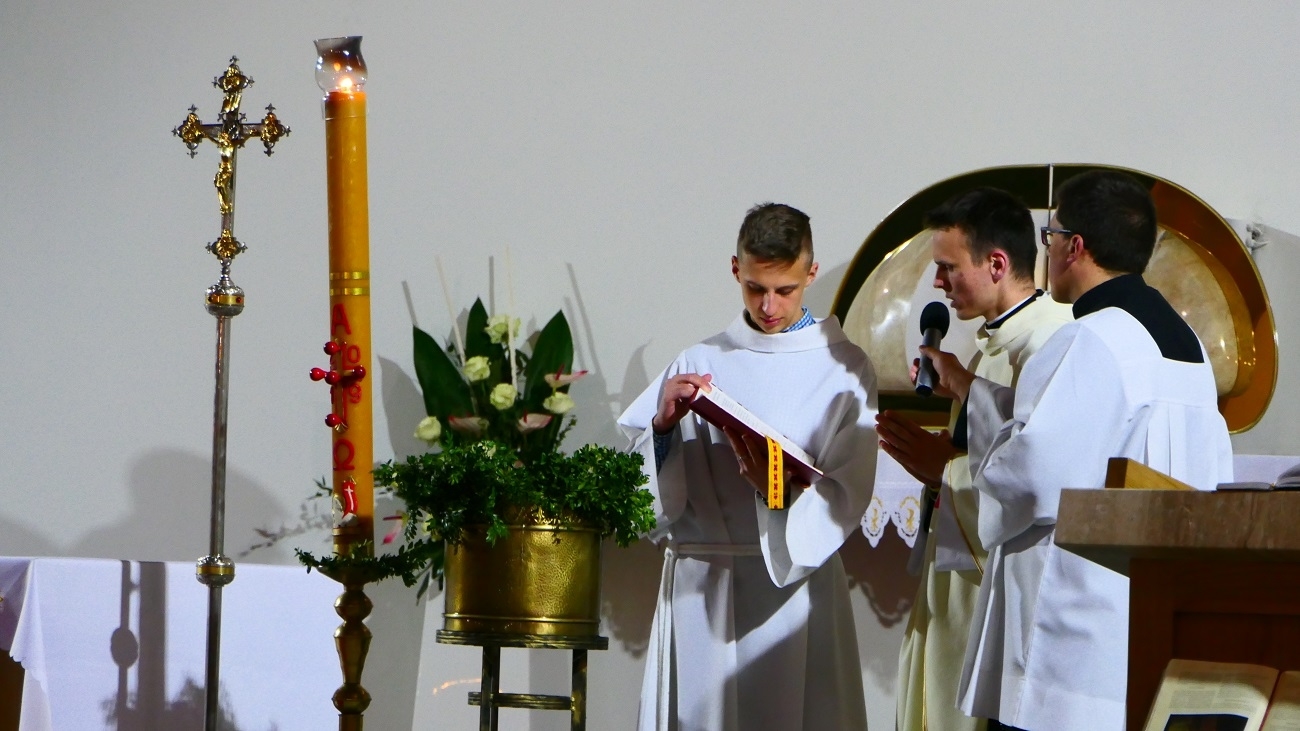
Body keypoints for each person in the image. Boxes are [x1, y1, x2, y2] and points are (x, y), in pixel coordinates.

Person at [921, 170, 1233, 731]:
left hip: (1071, 624)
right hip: (1146, 608)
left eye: (1051, 236)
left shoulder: (1088, 337)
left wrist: (982, 458)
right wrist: (979, 397)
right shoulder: (1186, 346)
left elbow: (1035, 475)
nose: (1048, 250)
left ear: (1074, 246)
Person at [617, 202, 879, 731]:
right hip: (702, 588)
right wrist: (662, 428)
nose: (768, 305)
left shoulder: (843, 368)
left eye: (785, 290)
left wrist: (776, 489)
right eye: (755, 288)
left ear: (810, 272)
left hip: (793, 592)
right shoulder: (698, 361)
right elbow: (643, 499)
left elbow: (848, 494)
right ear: (736, 269)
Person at [875, 188, 1073, 731]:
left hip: (1006, 583)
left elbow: (1040, 478)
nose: (939, 283)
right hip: (960, 574)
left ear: (997, 264)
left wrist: (943, 468)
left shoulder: (1051, 342)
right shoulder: (994, 345)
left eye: (947, 267)